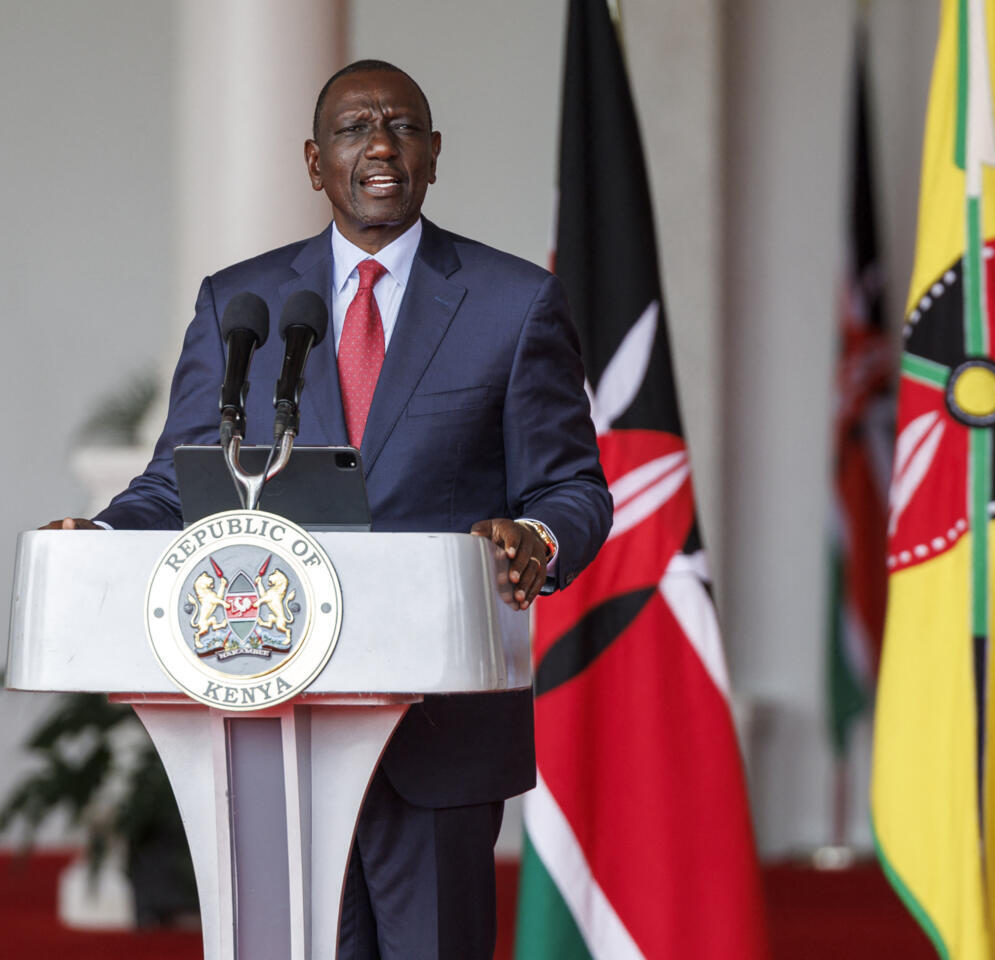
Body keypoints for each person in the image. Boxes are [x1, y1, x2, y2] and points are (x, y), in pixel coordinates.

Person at [43, 59, 612, 958]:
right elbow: (180, 481)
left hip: (439, 731)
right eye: (354, 129)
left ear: (434, 153)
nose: (380, 145)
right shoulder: (243, 304)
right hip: (273, 724)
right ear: (316, 163)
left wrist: (534, 538)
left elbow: (573, 486)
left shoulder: (514, 303)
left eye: (402, 126)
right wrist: (103, 537)